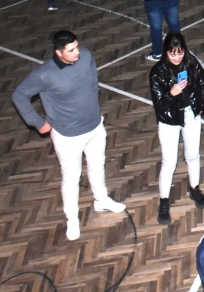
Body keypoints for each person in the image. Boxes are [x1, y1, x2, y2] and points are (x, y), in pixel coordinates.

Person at [12, 30, 127, 241]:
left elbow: (92, 74)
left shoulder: (86, 57)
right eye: (71, 50)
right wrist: (37, 123)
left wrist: (93, 94)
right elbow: (19, 95)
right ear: (58, 52)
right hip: (67, 136)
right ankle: (72, 219)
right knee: (71, 178)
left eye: (77, 47)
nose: (77, 53)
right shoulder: (44, 74)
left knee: (97, 165)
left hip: (94, 127)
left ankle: (101, 199)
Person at [149, 32, 204, 225]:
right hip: (169, 121)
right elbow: (159, 105)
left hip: (191, 116)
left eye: (180, 53)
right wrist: (172, 93)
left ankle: (195, 187)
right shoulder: (157, 72)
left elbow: (203, 84)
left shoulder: (191, 63)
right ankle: (164, 200)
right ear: (166, 53)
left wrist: (200, 107)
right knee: (169, 162)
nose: (177, 57)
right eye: (172, 54)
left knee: (193, 155)